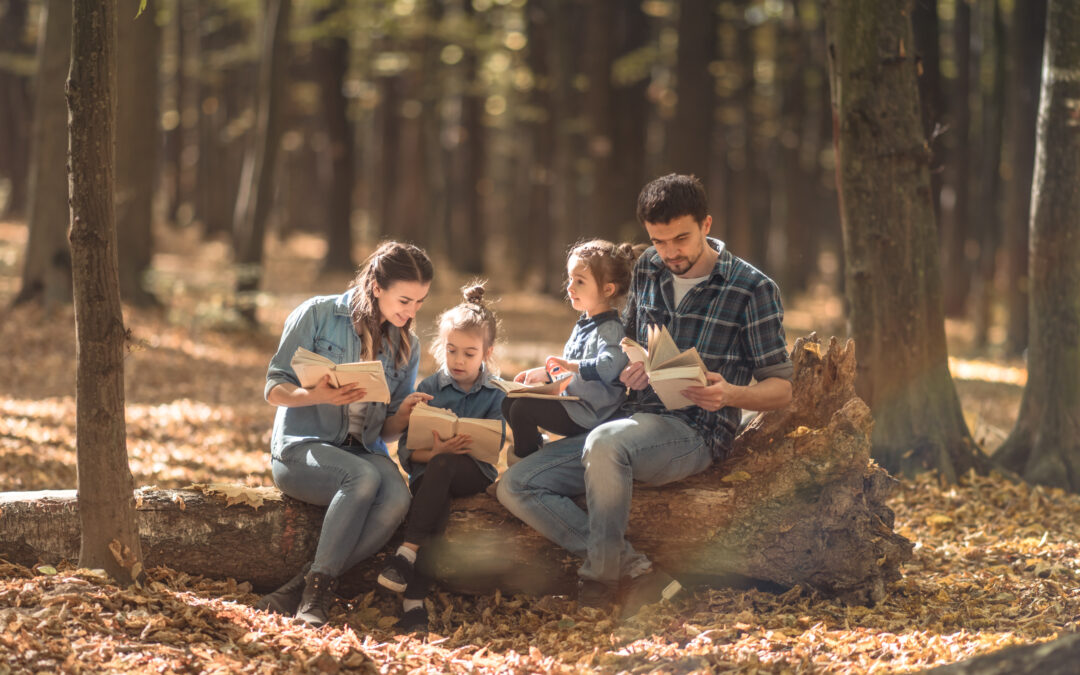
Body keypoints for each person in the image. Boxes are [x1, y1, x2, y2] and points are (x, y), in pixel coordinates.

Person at [497, 174, 793, 619]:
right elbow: (631, 344)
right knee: (515, 485)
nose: (671, 252)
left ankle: (599, 579)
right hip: (626, 421)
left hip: (693, 430)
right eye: (659, 240)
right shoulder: (649, 269)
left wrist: (731, 393)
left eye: (681, 239)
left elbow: (782, 388)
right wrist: (633, 368)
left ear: (706, 224)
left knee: (607, 443)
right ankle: (635, 568)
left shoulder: (752, 289)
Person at [256, 241, 435, 627]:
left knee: (396, 497)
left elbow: (384, 432)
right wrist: (314, 394)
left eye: (419, 303)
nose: (411, 311)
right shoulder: (317, 314)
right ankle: (316, 596)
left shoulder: (406, 344)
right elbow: (273, 388)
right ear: (377, 287)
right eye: (405, 300)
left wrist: (403, 415)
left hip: (362, 451)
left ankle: (302, 585)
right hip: (301, 451)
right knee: (363, 476)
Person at [375, 282, 507, 633]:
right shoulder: (430, 389)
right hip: (430, 473)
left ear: (486, 353)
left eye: (469, 353)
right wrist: (433, 452)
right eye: (451, 351)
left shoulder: (496, 394)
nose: (459, 361)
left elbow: (492, 449)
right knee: (438, 501)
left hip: (472, 472)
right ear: (441, 348)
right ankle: (414, 604)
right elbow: (407, 453)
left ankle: (406, 553)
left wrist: (448, 453)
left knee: (445, 466)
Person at [503, 240, 639, 459]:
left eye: (580, 281)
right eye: (570, 278)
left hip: (592, 413)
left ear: (607, 289)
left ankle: (525, 466)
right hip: (572, 402)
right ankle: (533, 447)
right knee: (509, 401)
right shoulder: (585, 324)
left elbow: (610, 366)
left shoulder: (610, 329)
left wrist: (569, 365)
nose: (570, 287)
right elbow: (571, 368)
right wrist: (546, 373)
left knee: (522, 410)